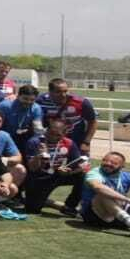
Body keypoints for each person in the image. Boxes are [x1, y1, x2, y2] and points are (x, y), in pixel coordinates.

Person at [38, 79, 98, 213]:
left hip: (76, 143)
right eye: (58, 92)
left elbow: (93, 122)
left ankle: (71, 205)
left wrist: (86, 142)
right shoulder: (41, 100)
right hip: (52, 143)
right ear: (50, 92)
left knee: (83, 171)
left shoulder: (81, 102)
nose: (63, 94)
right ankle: (36, 195)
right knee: (46, 169)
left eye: (65, 91)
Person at [21, 115, 90, 216]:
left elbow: (80, 165)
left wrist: (69, 171)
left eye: (58, 135)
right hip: (40, 176)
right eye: (51, 133)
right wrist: (38, 156)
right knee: (32, 209)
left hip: (59, 174)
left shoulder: (69, 143)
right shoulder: (35, 142)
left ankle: (70, 206)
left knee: (84, 177)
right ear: (47, 130)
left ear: (64, 134)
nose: (53, 137)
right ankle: (42, 201)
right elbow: (32, 168)